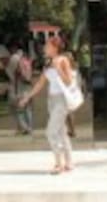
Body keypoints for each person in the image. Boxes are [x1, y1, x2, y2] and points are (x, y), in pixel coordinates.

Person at [20, 34, 77, 174]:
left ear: (55, 47)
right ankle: (69, 162)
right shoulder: (48, 63)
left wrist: (59, 69)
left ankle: (59, 163)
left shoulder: (63, 60)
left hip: (61, 100)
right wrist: (28, 97)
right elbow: (40, 83)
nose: (45, 48)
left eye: (47, 45)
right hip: (52, 100)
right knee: (61, 132)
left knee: (51, 132)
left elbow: (69, 81)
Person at [6, 39, 34, 135]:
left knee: (15, 107)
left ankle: (23, 127)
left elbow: (10, 72)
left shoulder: (14, 58)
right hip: (27, 83)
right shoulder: (26, 57)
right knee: (27, 108)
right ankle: (29, 127)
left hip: (17, 85)